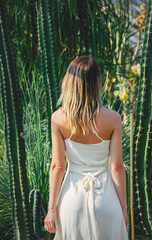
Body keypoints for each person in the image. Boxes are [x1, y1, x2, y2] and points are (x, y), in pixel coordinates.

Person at [44, 55, 129, 239]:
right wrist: (123, 208)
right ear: (97, 84)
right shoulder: (113, 119)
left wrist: (51, 209)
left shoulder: (58, 119)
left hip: (71, 201)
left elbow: (57, 167)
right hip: (106, 201)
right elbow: (117, 167)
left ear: (69, 82)